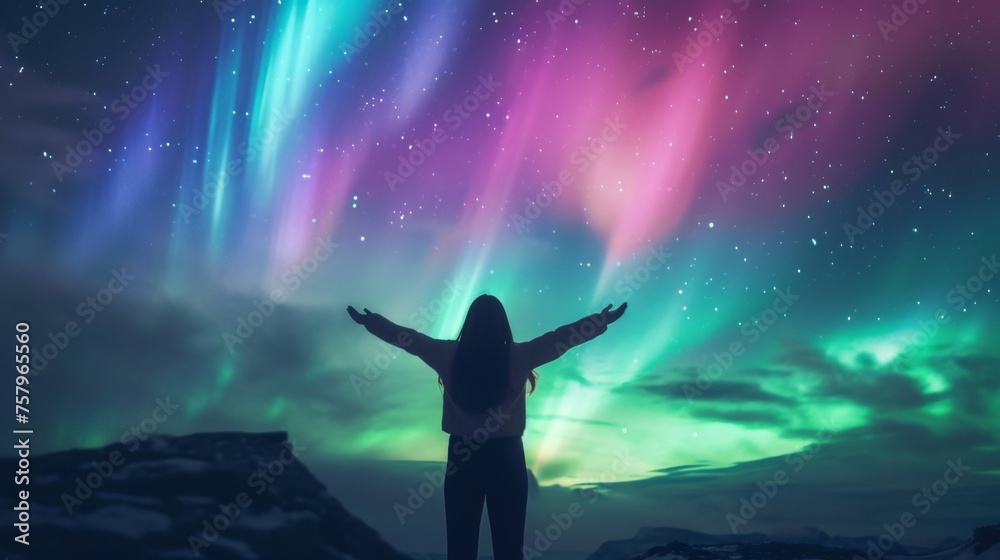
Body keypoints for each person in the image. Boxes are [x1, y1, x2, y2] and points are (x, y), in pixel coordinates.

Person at [347, 294, 627, 560]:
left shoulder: (447, 354)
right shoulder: (519, 356)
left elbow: (411, 340)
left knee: (460, 546)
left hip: (462, 456)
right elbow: (560, 339)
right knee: (509, 548)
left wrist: (372, 322)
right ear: (503, 324)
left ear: (468, 323)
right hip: (507, 456)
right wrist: (599, 320)